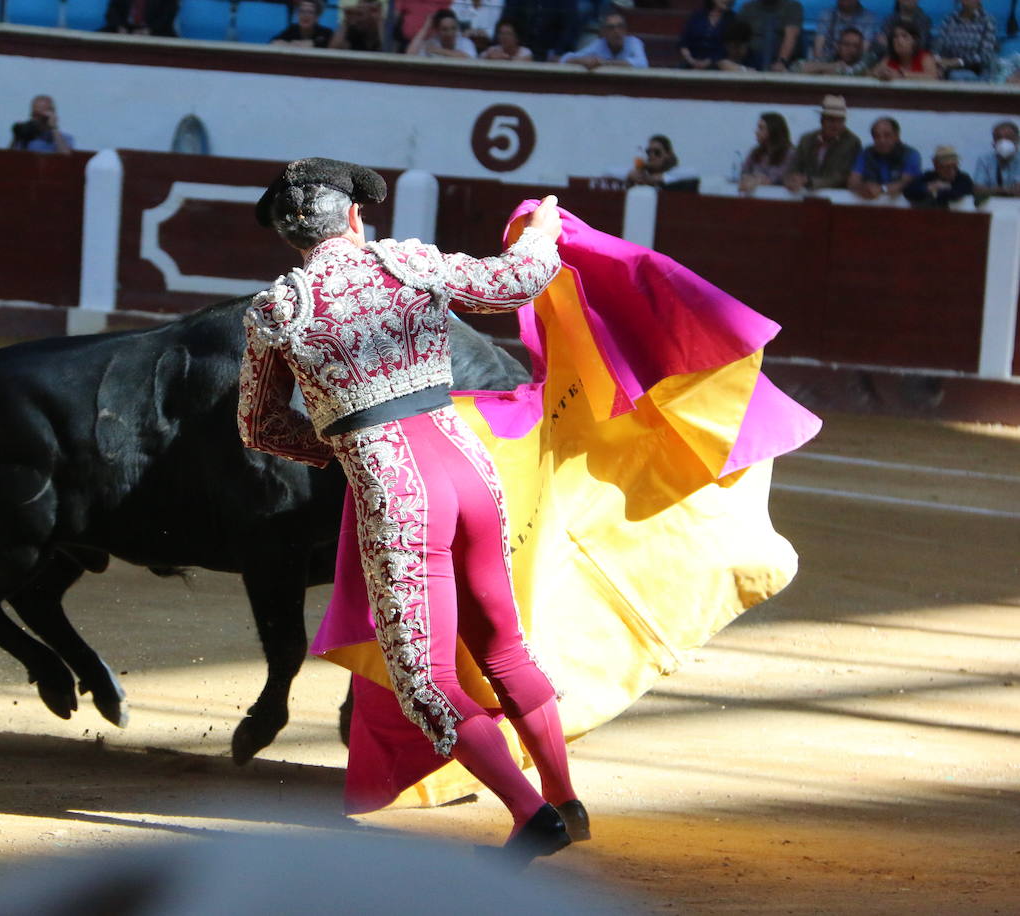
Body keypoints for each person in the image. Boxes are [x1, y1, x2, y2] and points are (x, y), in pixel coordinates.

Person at [239, 158, 586, 863]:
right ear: (356, 218)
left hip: (400, 496)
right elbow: (515, 282)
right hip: (471, 474)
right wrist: (543, 233)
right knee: (505, 648)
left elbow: (259, 426)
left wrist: (344, 447)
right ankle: (564, 798)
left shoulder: (279, 310)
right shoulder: (407, 263)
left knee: (428, 684)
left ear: (293, 238)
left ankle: (531, 817)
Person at [784, 94, 863, 192]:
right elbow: (794, 166)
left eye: (839, 120)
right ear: (822, 120)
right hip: (805, 197)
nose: (835, 125)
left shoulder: (852, 142)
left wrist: (810, 181)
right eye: (831, 119)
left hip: (837, 199)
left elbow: (843, 176)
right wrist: (793, 178)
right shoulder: (807, 140)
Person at [848, 115, 923, 200]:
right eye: (877, 136)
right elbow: (853, 182)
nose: (882, 140)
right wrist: (863, 188)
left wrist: (881, 189)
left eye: (887, 135)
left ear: (897, 136)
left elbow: (906, 183)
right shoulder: (866, 154)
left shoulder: (911, 155)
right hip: (868, 202)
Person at [934, 0, 998, 81]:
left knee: (955, 76)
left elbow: (984, 56)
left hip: (974, 70)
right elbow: (938, 45)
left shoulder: (987, 21)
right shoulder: (950, 19)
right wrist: (938, 61)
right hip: (946, 66)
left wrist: (958, 62)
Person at [559, 10, 648, 69]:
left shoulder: (633, 42)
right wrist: (583, 61)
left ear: (625, 30)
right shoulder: (599, 44)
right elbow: (565, 59)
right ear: (604, 33)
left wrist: (604, 63)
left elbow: (642, 64)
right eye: (611, 28)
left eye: (620, 26)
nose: (616, 31)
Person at [735, 0, 804, 71]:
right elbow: (738, 38)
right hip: (751, 64)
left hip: (783, 66)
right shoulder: (747, 8)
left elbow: (790, 37)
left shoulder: (792, 7)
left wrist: (781, 62)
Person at [903, 145, 975, 208]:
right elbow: (909, 190)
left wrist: (944, 187)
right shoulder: (928, 176)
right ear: (936, 166)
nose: (951, 170)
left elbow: (959, 193)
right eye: (946, 167)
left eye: (954, 166)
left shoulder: (963, 178)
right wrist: (927, 188)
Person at [808, 0, 877, 64]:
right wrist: (822, 65)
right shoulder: (826, 14)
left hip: (854, 64)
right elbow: (818, 50)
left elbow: (863, 51)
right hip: (827, 62)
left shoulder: (869, 18)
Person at [739, 112, 793, 192]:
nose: (756, 132)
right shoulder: (755, 152)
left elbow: (776, 178)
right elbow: (744, 172)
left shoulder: (789, 154)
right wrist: (748, 178)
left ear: (773, 130)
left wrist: (757, 179)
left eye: (761, 128)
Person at [870, 21, 941, 79]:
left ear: (914, 40)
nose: (899, 40)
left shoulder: (925, 57)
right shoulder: (889, 59)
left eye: (904, 36)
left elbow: (933, 77)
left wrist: (901, 75)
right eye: (895, 37)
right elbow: (873, 73)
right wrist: (880, 74)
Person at [678, 0, 736, 70]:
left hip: (718, 64)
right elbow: (683, 43)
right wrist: (691, 61)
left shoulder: (732, 19)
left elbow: (728, 47)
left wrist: (708, 62)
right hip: (691, 63)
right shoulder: (697, 16)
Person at [792, 25, 870, 74]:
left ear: (861, 49)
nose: (851, 49)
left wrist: (818, 70)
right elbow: (795, 67)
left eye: (856, 46)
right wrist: (830, 66)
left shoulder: (866, 59)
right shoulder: (830, 57)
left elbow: (850, 72)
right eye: (846, 44)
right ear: (838, 46)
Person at [972, 120, 1020, 199]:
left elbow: (1018, 192)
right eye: (998, 138)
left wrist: (992, 190)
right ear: (993, 142)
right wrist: (1006, 190)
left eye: (1008, 138)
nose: (1003, 142)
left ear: (1017, 140)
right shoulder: (984, 160)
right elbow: (977, 189)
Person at [9, 95, 74, 153]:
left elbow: (66, 157)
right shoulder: (25, 138)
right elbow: (8, 159)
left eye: (40, 116)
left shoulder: (64, 139)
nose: (37, 119)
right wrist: (16, 137)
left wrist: (54, 128)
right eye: (34, 115)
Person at [407, 9, 479, 58]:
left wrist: (437, 50)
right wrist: (426, 26)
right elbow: (410, 55)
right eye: (445, 29)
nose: (450, 33)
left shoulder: (465, 42)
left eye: (453, 28)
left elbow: (468, 58)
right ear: (437, 30)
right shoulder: (432, 42)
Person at [100, 0, 179, 36]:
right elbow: (112, 11)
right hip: (123, 29)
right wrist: (119, 27)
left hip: (156, 31)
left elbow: (167, 16)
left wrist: (148, 30)